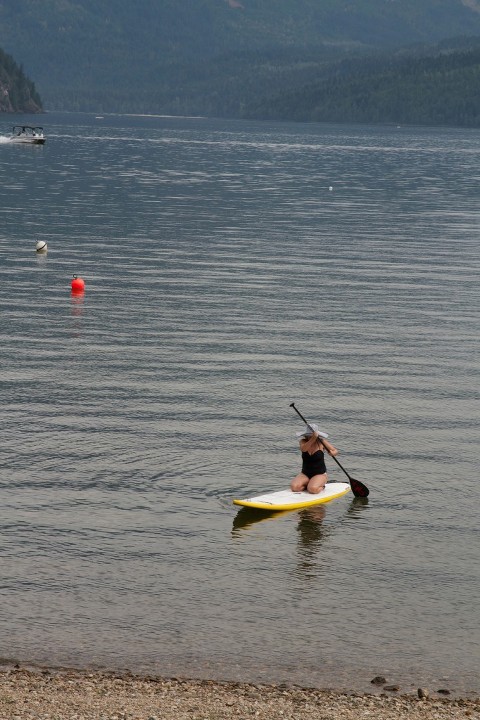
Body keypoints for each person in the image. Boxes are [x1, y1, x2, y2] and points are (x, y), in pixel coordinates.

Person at [291, 423, 339, 494]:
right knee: (295, 487)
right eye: (308, 436)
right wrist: (313, 438)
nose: (310, 437)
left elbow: (335, 451)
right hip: (305, 473)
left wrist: (332, 453)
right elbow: (304, 449)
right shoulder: (303, 441)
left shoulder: (321, 442)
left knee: (312, 489)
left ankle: (321, 486)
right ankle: (308, 484)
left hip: (320, 474)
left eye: (311, 436)